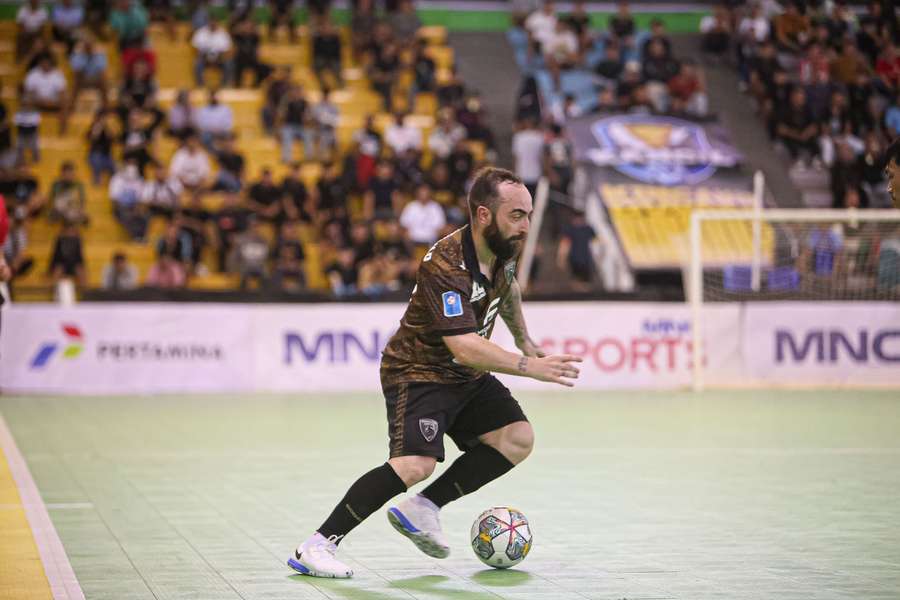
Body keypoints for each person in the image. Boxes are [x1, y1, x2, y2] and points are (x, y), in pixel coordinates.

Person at [287, 167, 581, 578]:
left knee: (516, 438)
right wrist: (529, 366)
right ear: (483, 215)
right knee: (414, 465)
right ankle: (316, 546)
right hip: (419, 371)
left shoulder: (505, 247)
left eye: (528, 214)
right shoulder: (446, 264)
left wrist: (525, 340)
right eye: (517, 215)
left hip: (465, 374)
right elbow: (462, 344)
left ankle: (424, 507)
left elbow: (508, 289)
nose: (526, 225)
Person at [48, 222, 86, 287]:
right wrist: (50, 268)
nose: (70, 233)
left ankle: (85, 292)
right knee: (58, 269)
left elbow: (80, 257)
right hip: (62, 264)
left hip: (73, 264)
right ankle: (53, 290)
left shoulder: (77, 241)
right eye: (69, 231)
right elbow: (55, 256)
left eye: (72, 231)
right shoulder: (59, 241)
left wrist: (81, 266)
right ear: (65, 232)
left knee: (80, 270)